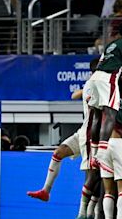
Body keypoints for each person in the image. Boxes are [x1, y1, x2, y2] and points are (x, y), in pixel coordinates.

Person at [27, 58, 101, 219]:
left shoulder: (102, 85)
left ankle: (86, 213)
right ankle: (46, 190)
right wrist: (83, 92)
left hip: (93, 134)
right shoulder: (93, 84)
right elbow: (76, 94)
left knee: (92, 175)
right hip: (83, 131)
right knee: (59, 152)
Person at [87, 20, 122, 166]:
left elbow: (99, 63)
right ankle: (102, 154)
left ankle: (94, 156)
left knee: (97, 116)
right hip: (108, 78)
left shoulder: (111, 44)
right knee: (111, 114)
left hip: (95, 77)